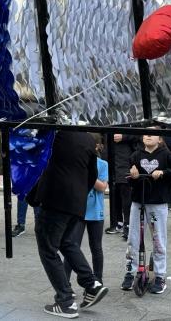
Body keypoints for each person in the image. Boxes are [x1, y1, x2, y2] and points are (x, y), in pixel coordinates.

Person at [27, 130, 108, 319]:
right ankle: (92, 284)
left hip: (55, 200)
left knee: (48, 249)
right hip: (77, 202)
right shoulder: (86, 137)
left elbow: (35, 165)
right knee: (68, 243)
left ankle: (65, 301)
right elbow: (91, 173)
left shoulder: (51, 135)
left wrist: (32, 196)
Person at [121, 132, 171, 295]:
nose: (148, 137)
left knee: (158, 240)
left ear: (160, 138)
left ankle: (159, 276)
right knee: (132, 240)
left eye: (153, 134)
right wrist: (132, 175)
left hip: (158, 203)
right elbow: (128, 178)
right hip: (138, 202)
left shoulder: (167, 156)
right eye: (145, 134)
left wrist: (163, 173)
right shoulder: (135, 155)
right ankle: (130, 271)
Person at [63, 133, 108, 284]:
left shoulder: (102, 164)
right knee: (72, 246)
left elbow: (102, 187)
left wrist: (87, 173)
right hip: (78, 210)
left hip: (95, 211)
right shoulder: (77, 162)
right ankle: (65, 281)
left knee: (96, 247)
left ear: (96, 147)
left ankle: (98, 279)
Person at [105, 133, 138, 239]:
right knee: (115, 194)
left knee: (125, 195)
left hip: (125, 162)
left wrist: (124, 136)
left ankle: (127, 225)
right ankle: (118, 222)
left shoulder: (131, 119)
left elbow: (139, 134)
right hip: (112, 160)